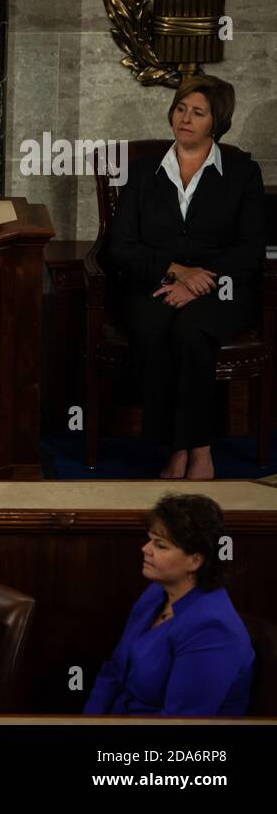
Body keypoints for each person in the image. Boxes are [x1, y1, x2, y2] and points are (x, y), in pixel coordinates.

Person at [109, 75, 266, 480]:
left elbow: (250, 249)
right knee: (153, 326)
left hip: (222, 287)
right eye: (181, 108)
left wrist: (200, 281)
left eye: (198, 112)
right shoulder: (143, 171)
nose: (185, 118)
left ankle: (198, 451)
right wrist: (177, 272)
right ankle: (179, 449)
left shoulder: (242, 172)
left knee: (192, 333)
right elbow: (121, 246)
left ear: (217, 121)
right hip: (154, 282)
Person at [85, 494, 253, 716]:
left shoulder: (213, 630)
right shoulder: (156, 594)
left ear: (195, 560)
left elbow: (180, 722)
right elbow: (114, 671)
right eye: (149, 539)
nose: (145, 549)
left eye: (160, 545)